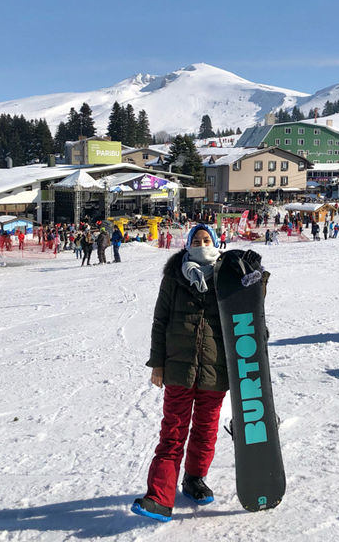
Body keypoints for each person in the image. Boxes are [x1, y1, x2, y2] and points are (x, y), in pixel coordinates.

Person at [132, 224, 227, 522]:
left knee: (205, 430)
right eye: (196, 240)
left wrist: (256, 277)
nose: (201, 244)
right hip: (177, 367)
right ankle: (159, 497)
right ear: (187, 245)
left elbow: (248, 313)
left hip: (215, 368)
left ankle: (194, 479)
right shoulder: (174, 276)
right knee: (172, 432)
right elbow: (160, 320)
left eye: (206, 239)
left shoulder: (227, 275)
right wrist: (157, 363)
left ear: (215, 241)